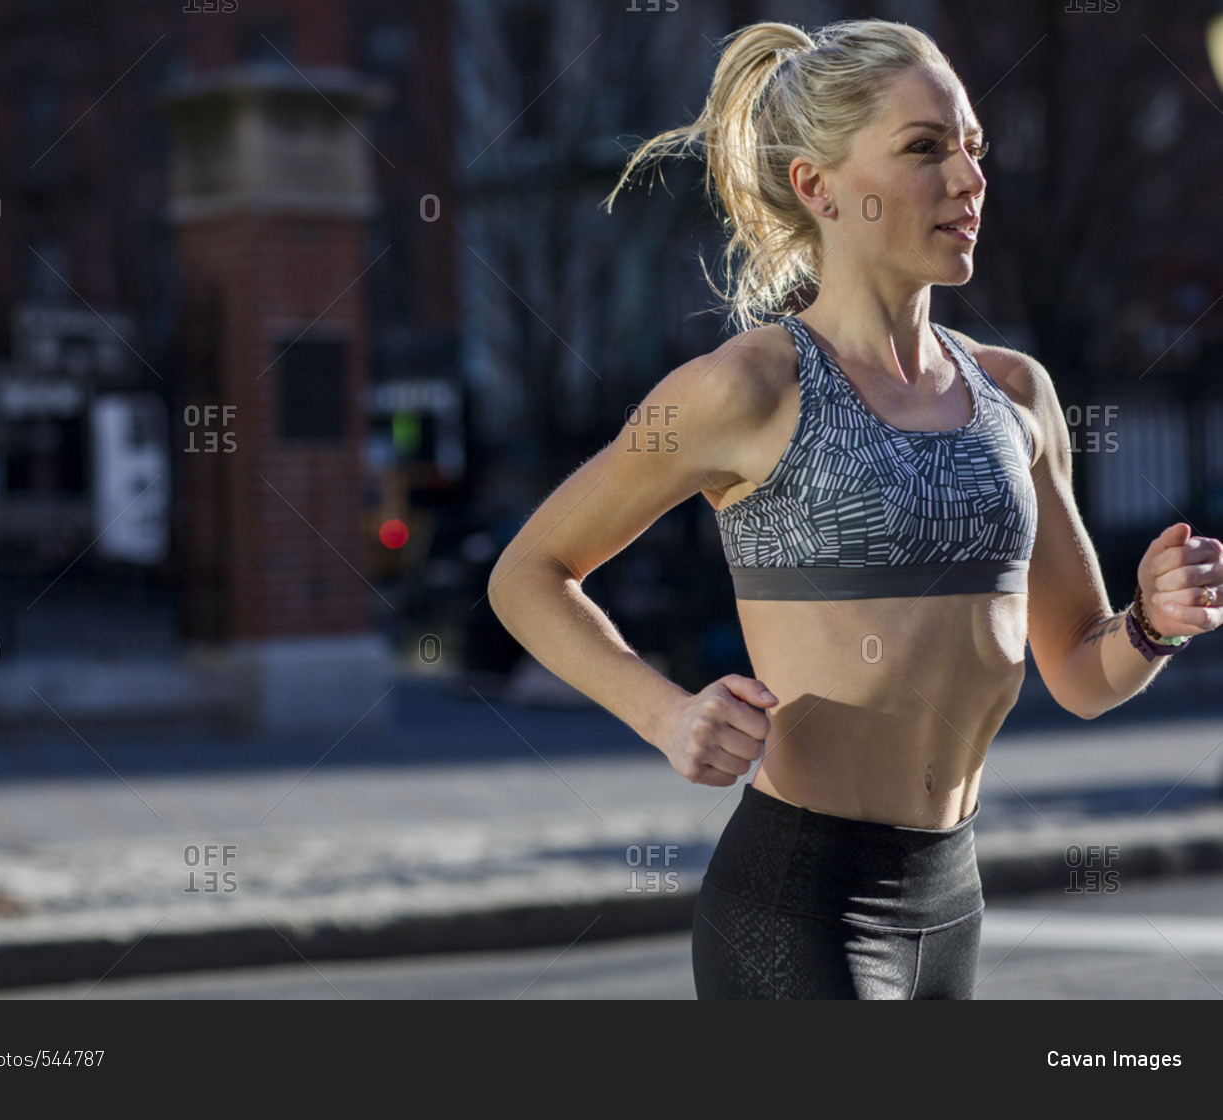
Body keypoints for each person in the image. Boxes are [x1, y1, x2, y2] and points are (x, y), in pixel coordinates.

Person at [486, 18, 1223, 999]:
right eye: (925, 149)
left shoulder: (1017, 393)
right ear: (817, 187)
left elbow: (1083, 668)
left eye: (972, 146)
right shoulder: (741, 389)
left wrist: (1155, 624)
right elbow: (527, 573)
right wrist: (665, 715)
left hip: (951, 901)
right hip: (800, 907)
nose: (968, 179)